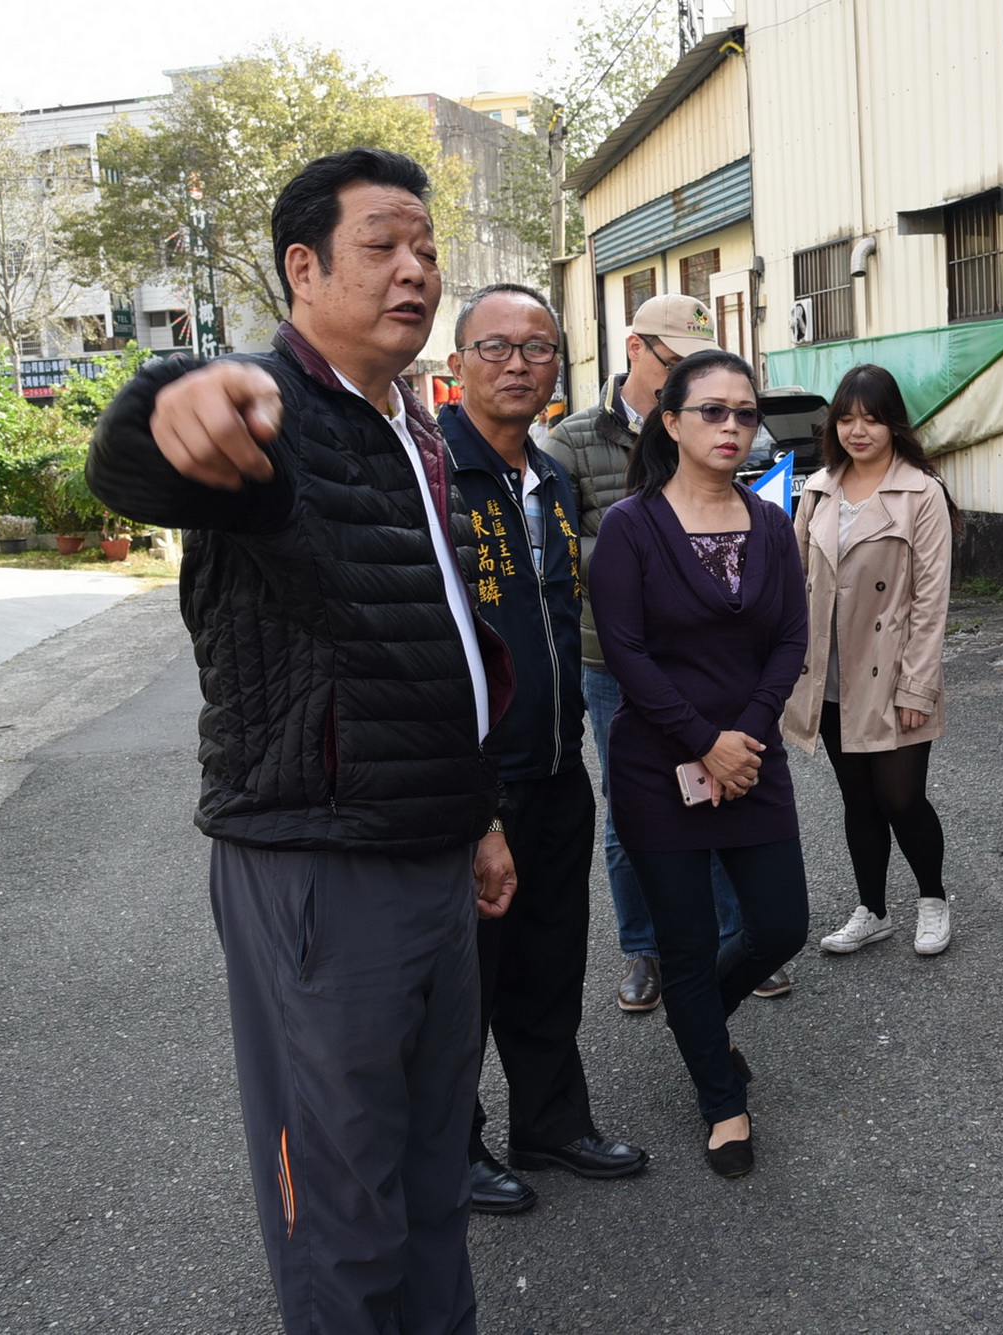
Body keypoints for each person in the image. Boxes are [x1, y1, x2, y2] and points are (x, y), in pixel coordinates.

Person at [86, 148, 514, 1333]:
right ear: (302, 266)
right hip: (321, 868)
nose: (416, 270)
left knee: (434, 1180)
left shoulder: (409, 427)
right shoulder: (270, 414)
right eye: (383, 245)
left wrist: (475, 815)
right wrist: (167, 397)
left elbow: (431, 644)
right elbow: (141, 453)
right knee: (340, 1207)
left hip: (429, 852)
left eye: (426, 248)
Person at [437, 283, 647, 1217]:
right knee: (464, 981)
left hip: (559, 764)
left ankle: (552, 1121)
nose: (518, 364)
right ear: (457, 363)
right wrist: (473, 801)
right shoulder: (434, 474)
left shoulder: (552, 476)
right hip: (476, 783)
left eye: (537, 349)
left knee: (552, 958)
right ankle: (451, 1146)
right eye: (496, 348)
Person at [584, 349, 810, 1178]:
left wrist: (743, 736)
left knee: (781, 923)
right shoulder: (629, 528)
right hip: (659, 763)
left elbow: (790, 637)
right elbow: (627, 652)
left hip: (751, 758)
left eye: (745, 413)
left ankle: (700, 1021)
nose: (731, 426)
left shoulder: (772, 525)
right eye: (712, 410)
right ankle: (722, 1099)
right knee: (682, 945)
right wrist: (701, 741)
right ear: (671, 422)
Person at [549, 294, 792, 1011]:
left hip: (713, 656)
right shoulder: (573, 440)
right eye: (673, 361)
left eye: (738, 409)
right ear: (634, 348)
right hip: (612, 657)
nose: (726, 419)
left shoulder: (721, 432)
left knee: (719, 787)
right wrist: (649, 551)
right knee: (638, 814)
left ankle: (729, 938)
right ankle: (645, 949)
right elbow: (559, 552)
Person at [783, 364, 958, 956]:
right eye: (848, 418)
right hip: (830, 673)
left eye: (872, 419)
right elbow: (795, 580)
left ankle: (932, 899)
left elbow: (931, 599)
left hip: (892, 670)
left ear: (893, 425)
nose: (859, 431)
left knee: (900, 797)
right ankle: (873, 910)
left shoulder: (921, 492)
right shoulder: (818, 488)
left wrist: (916, 686)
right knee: (857, 798)